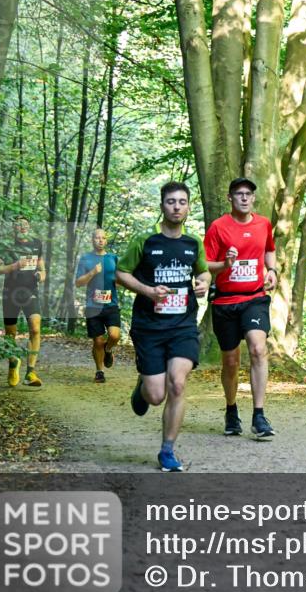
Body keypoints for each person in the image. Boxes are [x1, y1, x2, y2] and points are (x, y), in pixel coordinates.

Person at [115, 182, 210, 472]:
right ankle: (143, 387)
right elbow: (120, 273)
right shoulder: (145, 241)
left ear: (189, 207)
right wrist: (147, 290)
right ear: (162, 206)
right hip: (149, 327)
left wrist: (204, 281)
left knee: (178, 384)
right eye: (171, 202)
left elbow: (203, 270)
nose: (177, 207)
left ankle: (167, 450)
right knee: (156, 395)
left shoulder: (193, 243)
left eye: (182, 202)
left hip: (182, 325)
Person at [204, 177, 278, 439]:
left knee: (258, 348)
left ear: (253, 198)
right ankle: (231, 409)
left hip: (254, 298)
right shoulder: (218, 227)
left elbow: (269, 250)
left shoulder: (263, 224)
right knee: (231, 361)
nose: (244, 198)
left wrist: (272, 270)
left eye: (248, 194)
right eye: (239, 194)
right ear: (230, 198)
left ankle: (259, 416)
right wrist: (224, 264)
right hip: (225, 301)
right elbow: (205, 265)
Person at [0, 215, 45, 387]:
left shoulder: (37, 243)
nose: (22, 227)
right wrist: (14, 266)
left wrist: (41, 275)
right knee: (10, 334)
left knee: (35, 328)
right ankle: (13, 363)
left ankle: (30, 372)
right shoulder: (6, 246)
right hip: (10, 293)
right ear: (14, 228)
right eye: (18, 225)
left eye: (25, 224)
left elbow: (42, 268)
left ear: (29, 226)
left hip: (30, 291)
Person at [75, 228, 121, 383]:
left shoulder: (113, 258)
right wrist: (92, 272)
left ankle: (108, 350)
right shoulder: (86, 259)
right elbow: (78, 283)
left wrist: (120, 282)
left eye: (103, 238)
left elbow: (121, 280)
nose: (100, 240)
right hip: (93, 306)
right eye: (97, 238)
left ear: (106, 240)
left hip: (111, 304)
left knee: (114, 336)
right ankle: (99, 371)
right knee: (98, 341)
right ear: (92, 240)